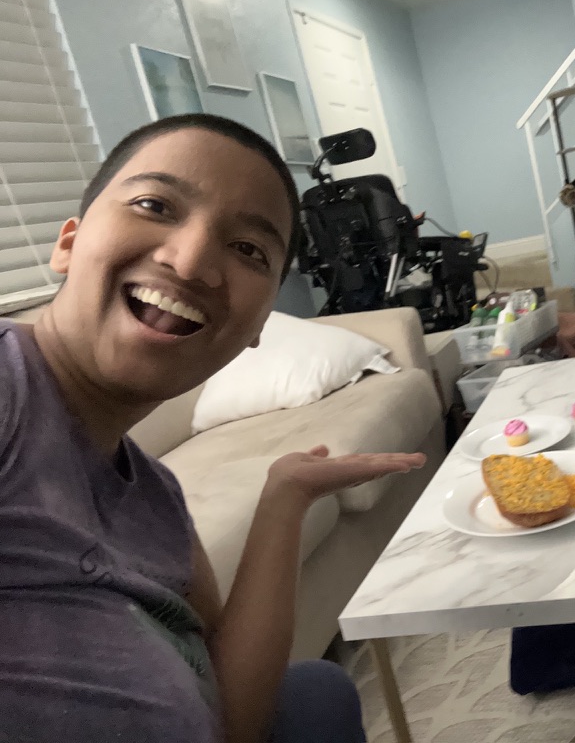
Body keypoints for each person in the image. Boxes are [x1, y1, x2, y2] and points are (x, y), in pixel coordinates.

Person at [0, 113, 426, 742]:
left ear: (260, 328)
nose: (193, 260)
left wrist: (286, 497)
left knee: (316, 689)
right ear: (69, 242)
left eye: (249, 249)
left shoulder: (158, 499)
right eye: (154, 204)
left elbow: (234, 719)